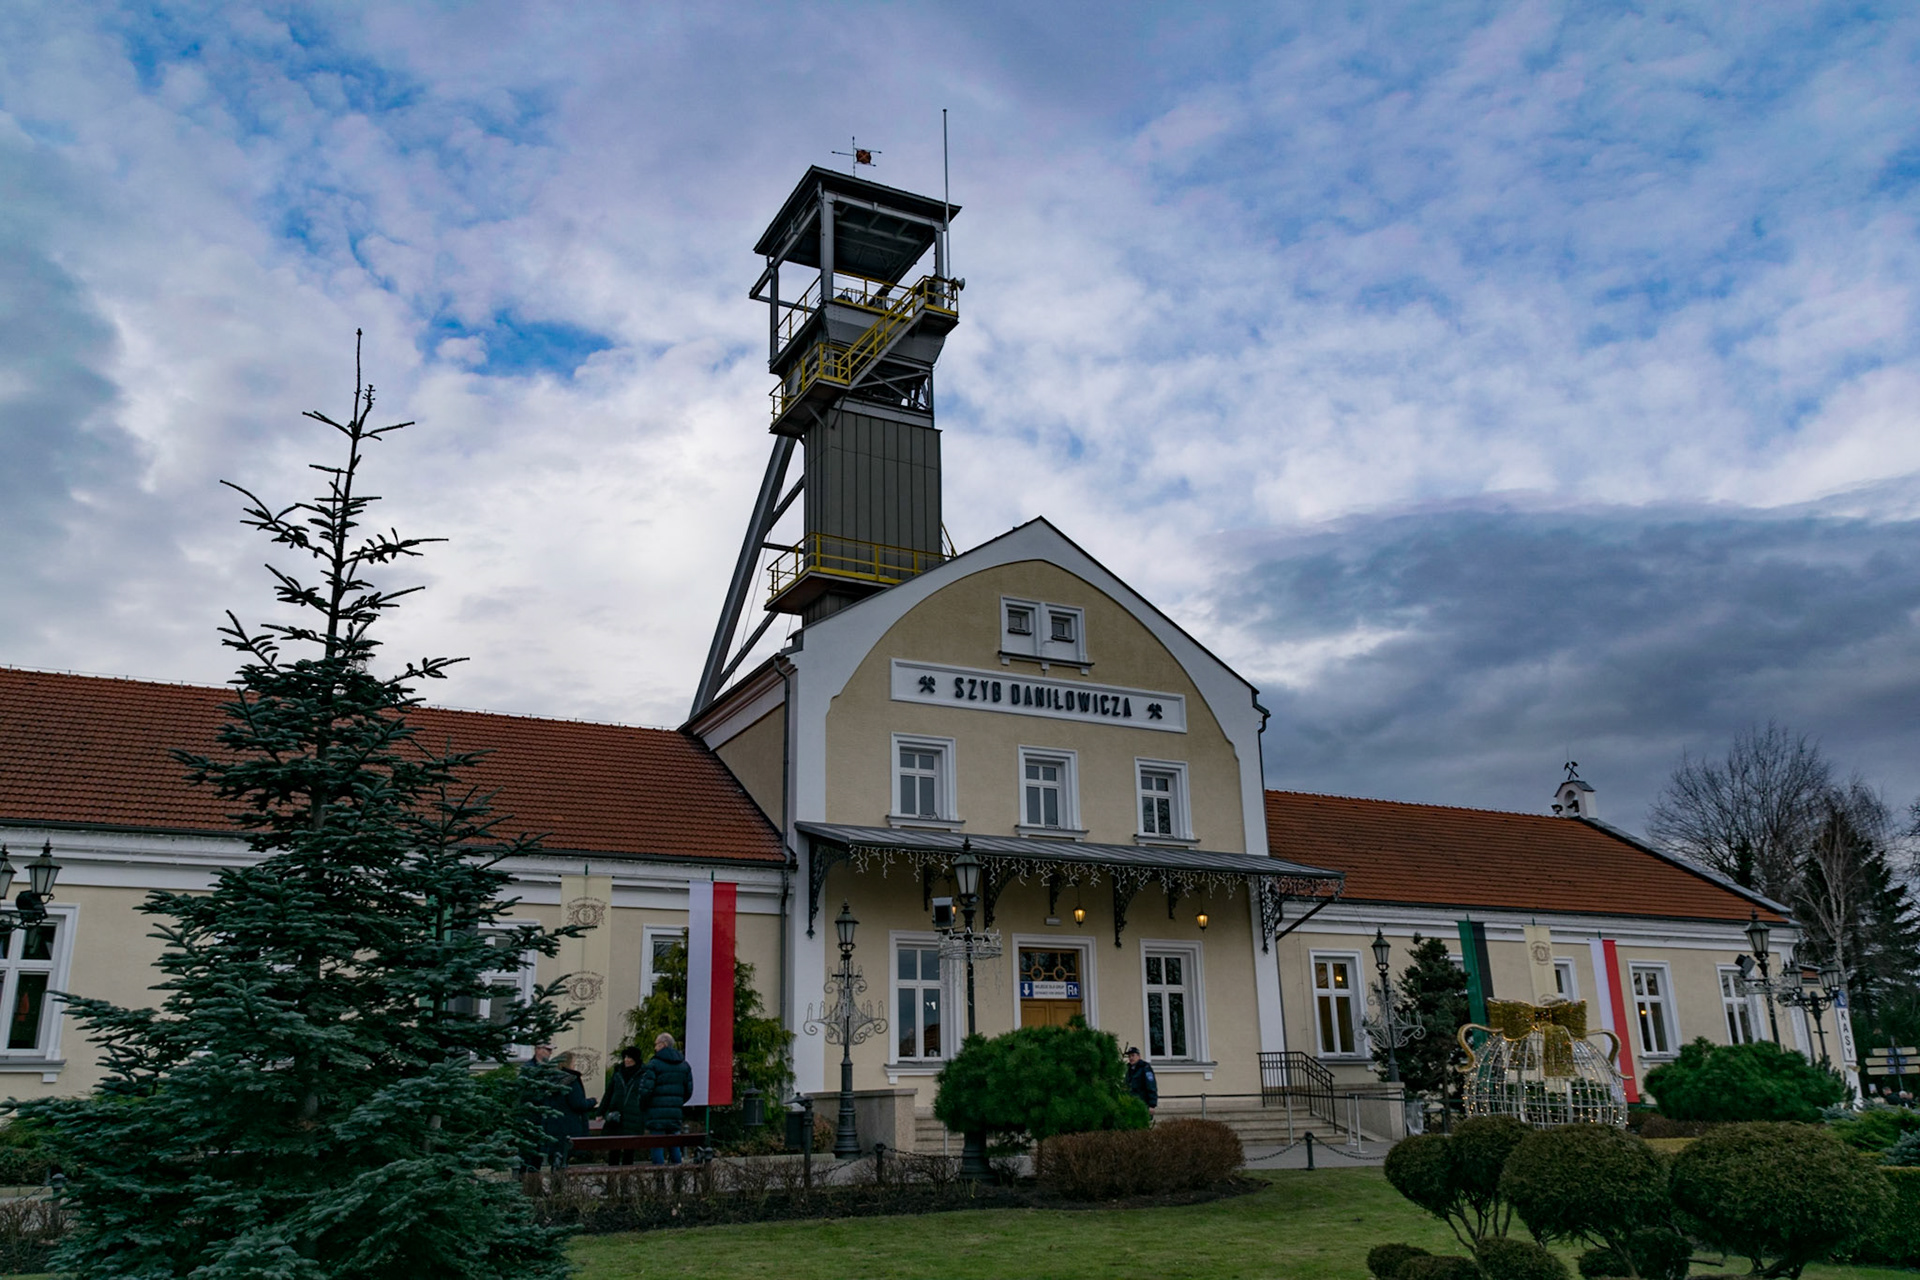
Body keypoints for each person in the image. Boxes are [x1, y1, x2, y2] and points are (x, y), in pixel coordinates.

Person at [523, 1045, 597, 1170]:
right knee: (564, 1159)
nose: (575, 1065)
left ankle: (553, 1182)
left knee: (555, 1158)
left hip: (552, 1126)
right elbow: (577, 1104)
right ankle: (559, 1185)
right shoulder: (571, 1079)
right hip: (568, 1126)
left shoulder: (550, 1078)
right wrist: (592, 1102)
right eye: (574, 1062)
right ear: (568, 1063)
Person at [636, 1031, 695, 1165]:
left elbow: (645, 1090)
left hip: (656, 1113)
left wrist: (644, 1107)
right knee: (674, 1144)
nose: (655, 1047)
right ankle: (678, 1178)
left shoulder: (654, 1064)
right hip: (674, 1113)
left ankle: (659, 1179)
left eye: (656, 1044)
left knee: (657, 1145)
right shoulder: (684, 1065)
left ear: (663, 1044)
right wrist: (677, 1102)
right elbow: (689, 1091)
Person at [600, 1045, 648, 1166]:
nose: (626, 1060)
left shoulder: (643, 1074)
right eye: (625, 1057)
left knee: (629, 1151)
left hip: (633, 1116)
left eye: (629, 1057)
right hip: (616, 1116)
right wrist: (601, 1111)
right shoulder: (618, 1073)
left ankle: (625, 1181)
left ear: (635, 1059)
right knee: (614, 1149)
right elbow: (609, 1093)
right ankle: (612, 1180)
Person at [1125, 1046, 1158, 1114]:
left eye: (1133, 1055)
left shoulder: (1145, 1068)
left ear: (1138, 1056)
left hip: (1143, 1103)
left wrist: (1152, 1105)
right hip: (1130, 1103)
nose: (1131, 1058)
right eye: (1129, 1056)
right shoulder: (1128, 1069)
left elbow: (1151, 1086)